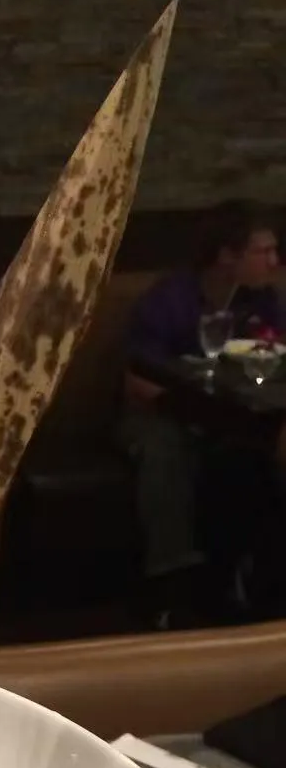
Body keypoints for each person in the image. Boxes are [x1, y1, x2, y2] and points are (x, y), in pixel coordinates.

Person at [122, 202, 285, 627]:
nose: (274, 261)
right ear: (227, 255)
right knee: (166, 449)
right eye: (262, 252)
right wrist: (192, 407)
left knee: (253, 452)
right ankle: (171, 591)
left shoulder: (262, 300)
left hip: (233, 415)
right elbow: (139, 381)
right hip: (159, 412)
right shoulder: (170, 300)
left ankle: (248, 581)